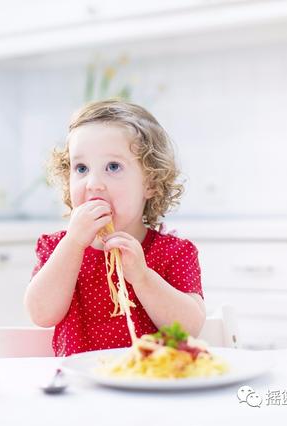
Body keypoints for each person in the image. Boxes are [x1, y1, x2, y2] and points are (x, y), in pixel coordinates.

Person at [24, 100, 205, 356]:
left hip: (151, 387)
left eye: (113, 167)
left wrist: (142, 277)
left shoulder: (174, 253)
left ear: (151, 183)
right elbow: (41, 314)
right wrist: (74, 244)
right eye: (82, 168)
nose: (93, 183)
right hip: (81, 389)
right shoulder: (58, 248)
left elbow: (189, 329)